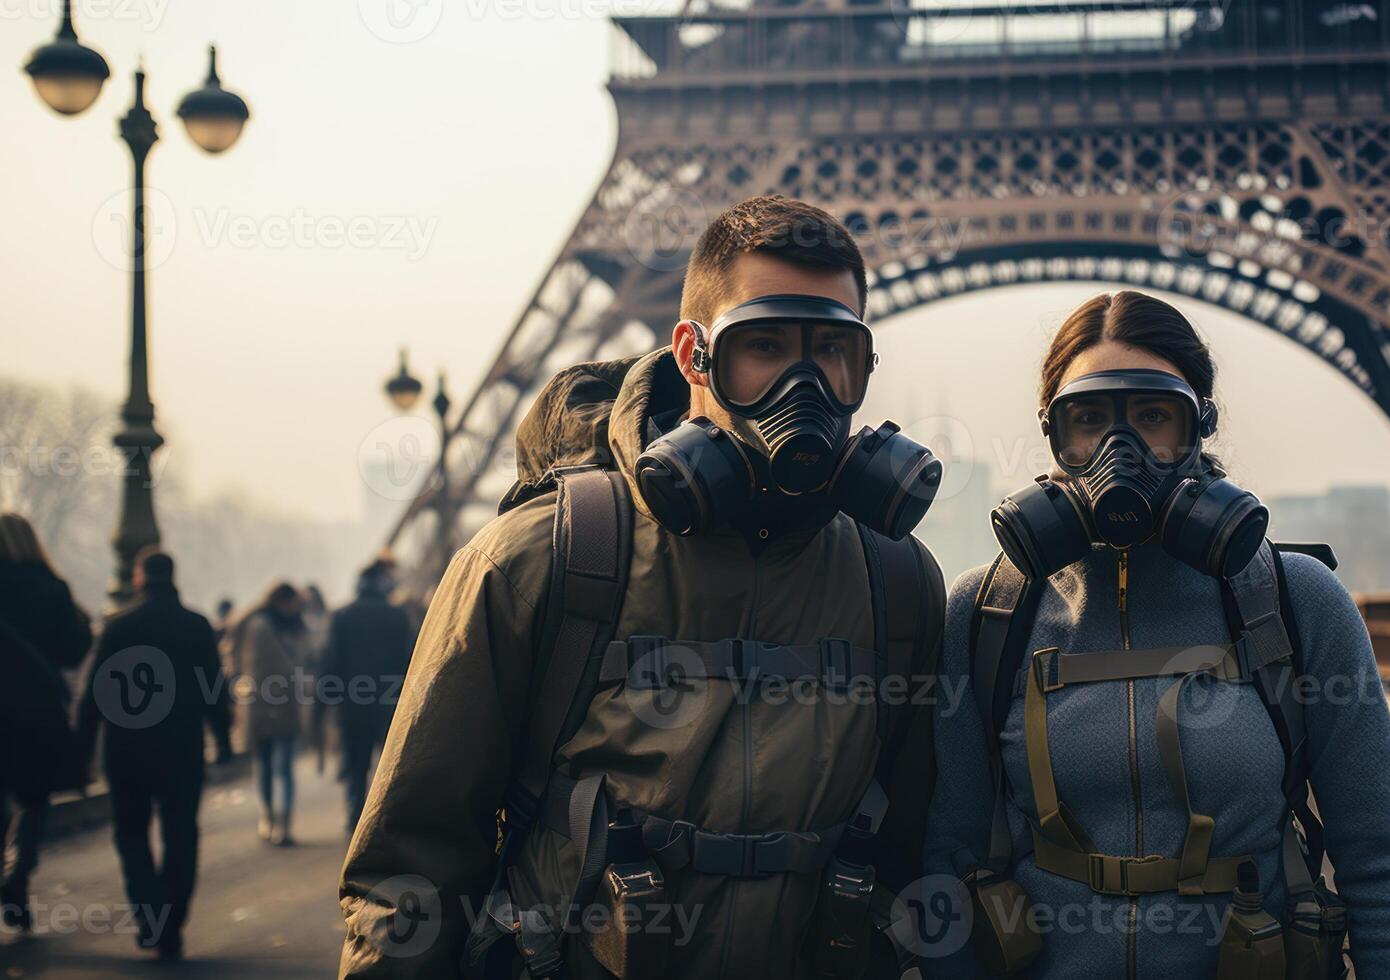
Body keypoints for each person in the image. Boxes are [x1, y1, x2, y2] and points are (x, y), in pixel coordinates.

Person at [339, 195, 947, 979]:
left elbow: (915, 851)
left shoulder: (897, 579)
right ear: (693, 353)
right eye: (762, 344)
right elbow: (411, 861)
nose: (807, 384)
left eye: (833, 350)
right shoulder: (537, 558)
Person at [921, 291, 1390, 977]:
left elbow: (1380, 862)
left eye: (1152, 417)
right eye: (1089, 422)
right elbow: (949, 858)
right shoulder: (987, 610)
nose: (1121, 451)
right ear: (1051, 432)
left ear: (1199, 426)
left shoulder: (1294, 600)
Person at [76, 547, 232, 960]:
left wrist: (80, 750)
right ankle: (173, 920)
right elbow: (213, 688)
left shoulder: (117, 626)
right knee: (181, 832)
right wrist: (225, 740)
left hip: (126, 750)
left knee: (131, 832)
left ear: (140, 578)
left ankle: (151, 914)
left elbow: (92, 692)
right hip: (182, 747)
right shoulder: (197, 626)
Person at [0, 512, 91, 933]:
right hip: (35, 710)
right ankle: (18, 872)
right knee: (34, 799)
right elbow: (73, 652)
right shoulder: (51, 587)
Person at [318, 560, 413, 833]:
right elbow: (411, 658)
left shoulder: (342, 615)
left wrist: (326, 700)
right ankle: (389, 816)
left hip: (352, 703)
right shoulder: (397, 615)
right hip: (390, 700)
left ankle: (355, 816)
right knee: (391, 760)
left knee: (356, 763)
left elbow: (331, 660)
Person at [226, 582, 312, 846]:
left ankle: (274, 821)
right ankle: (277, 822)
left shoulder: (258, 625)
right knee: (274, 767)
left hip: (263, 705)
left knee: (271, 767)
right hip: (273, 703)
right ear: (280, 601)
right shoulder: (264, 627)